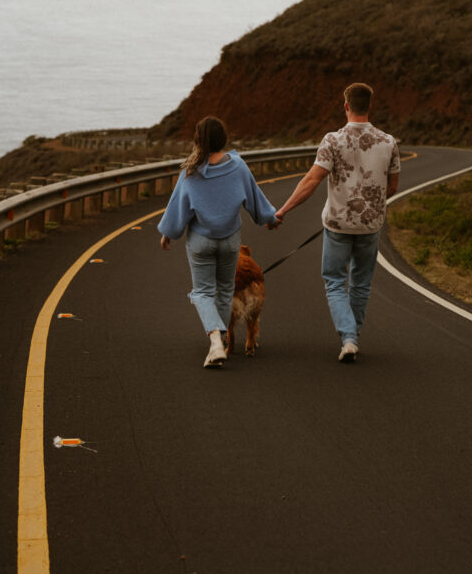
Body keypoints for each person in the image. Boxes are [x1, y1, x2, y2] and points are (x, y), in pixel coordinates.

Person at [275, 83, 400, 362]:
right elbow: (392, 186)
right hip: (370, 225)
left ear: (346, 106)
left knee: (334, 281)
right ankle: (352, 336)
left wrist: (283, 210)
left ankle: (348, 338)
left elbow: (311, 181)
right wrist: (370, 207)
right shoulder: (389, 142)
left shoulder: (332, 140)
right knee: (361, 283)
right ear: (370, 106)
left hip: (337, 225)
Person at [158, 116, 279, 368]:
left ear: (198, 140)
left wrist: (168, 233)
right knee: (225, 291)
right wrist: (269, 218)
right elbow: (255, 199)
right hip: (230, 240)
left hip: (201, 242)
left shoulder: (190, 171)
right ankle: (221, 341)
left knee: (202, 292)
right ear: (223, 138)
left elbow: (177, 208)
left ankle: (215, 342)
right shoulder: (238, 165)